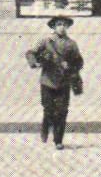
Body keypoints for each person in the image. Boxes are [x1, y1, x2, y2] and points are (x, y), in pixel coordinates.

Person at [25, 15, 84, 149]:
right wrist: (34, 63)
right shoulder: (45, 41)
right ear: (53, 27)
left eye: (64, 25)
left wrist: (70, 66)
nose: (62, 28)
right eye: (59, 25)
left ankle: (58, 140)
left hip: (64, 82)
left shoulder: (71, 44)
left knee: (62, 111)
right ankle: (45, 128)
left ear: (68, 27)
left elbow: (79, 61)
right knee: (49, 109)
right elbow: (30, 53)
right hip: (47, 81)